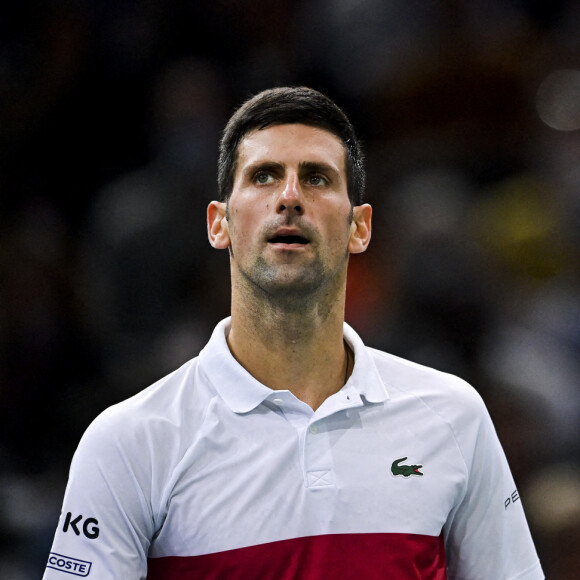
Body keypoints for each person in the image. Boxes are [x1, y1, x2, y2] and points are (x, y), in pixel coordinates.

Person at [43, 86, 544, 579]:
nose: (288, 197)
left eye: (317, 178)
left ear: (359, 228)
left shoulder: (453, 416)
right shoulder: (129, 442)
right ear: (219, 224)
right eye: (263, 176)